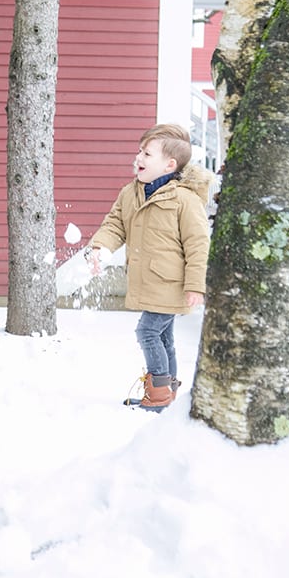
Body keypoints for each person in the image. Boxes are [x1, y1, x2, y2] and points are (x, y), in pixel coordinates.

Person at [86, 123, 212, 411]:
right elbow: (115, 224)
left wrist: (196, 284)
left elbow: (197, 244)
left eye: (147, 153)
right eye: (140, 151)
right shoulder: (130, 194)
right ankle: (166, 392)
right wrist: (101, 248)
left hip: (171, 283)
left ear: (169, 164)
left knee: (148, 332)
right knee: (163, 335)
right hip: (149, 282)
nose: (139, 158)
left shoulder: (185, 199)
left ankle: (158, 396)